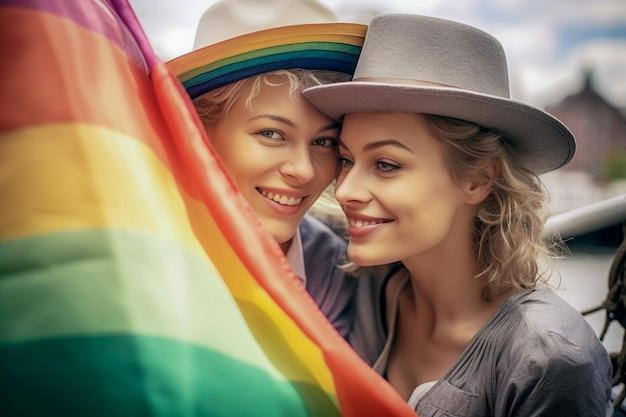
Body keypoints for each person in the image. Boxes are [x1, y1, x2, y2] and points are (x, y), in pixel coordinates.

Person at [303, 14, 613, 415]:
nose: (344, 191)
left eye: (386, 164)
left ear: (478, 179)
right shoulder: (354, 287)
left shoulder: (548, 358)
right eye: (346, 159)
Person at [166, 0, 367, 337]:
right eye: (271, 134)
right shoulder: (140, 244)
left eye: (324, 142)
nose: (303, 170)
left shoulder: (334, 269)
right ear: (197, 131)